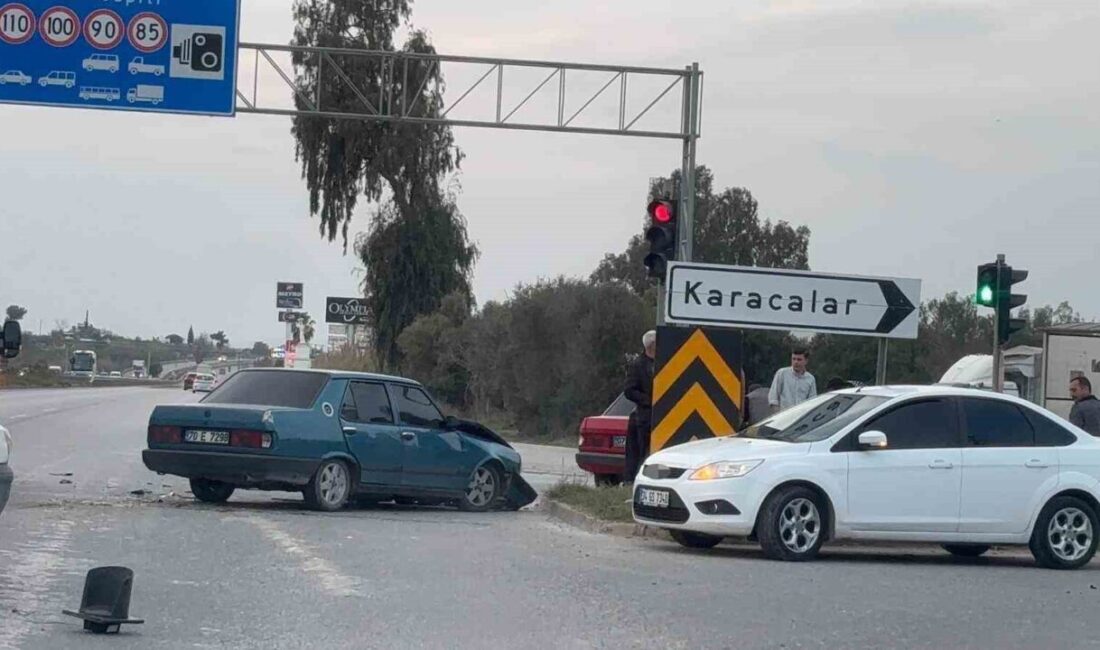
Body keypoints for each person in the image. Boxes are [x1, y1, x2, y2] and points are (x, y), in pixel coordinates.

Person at [623, 330, 656, 483]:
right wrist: (648, 401)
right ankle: (637, 481)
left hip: (662, 416)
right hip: (644, 417)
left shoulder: (665, 362)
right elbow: (629, 390)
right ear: (651, 345)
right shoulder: (638, 365)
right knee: (642, 452)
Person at [768, 348, 817, 413]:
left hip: (801, 417)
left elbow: (812, 402)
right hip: (784, 416)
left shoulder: (810, 379)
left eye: (799, 359)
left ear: (806, 361)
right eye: (793, 359)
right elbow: (773, 398)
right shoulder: (782, 373)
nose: (796, 362)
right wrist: (779, 415)